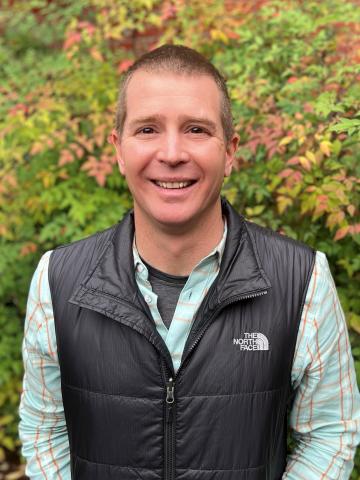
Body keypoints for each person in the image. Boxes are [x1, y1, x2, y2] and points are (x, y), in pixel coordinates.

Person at [19, 44, 360, 480]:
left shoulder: (302, 281)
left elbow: (330, 433)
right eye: (147, 130)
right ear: (119, 150)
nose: (173, 152)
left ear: (230, 151)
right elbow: (46, 431)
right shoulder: (57, 281)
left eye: (197, 129)